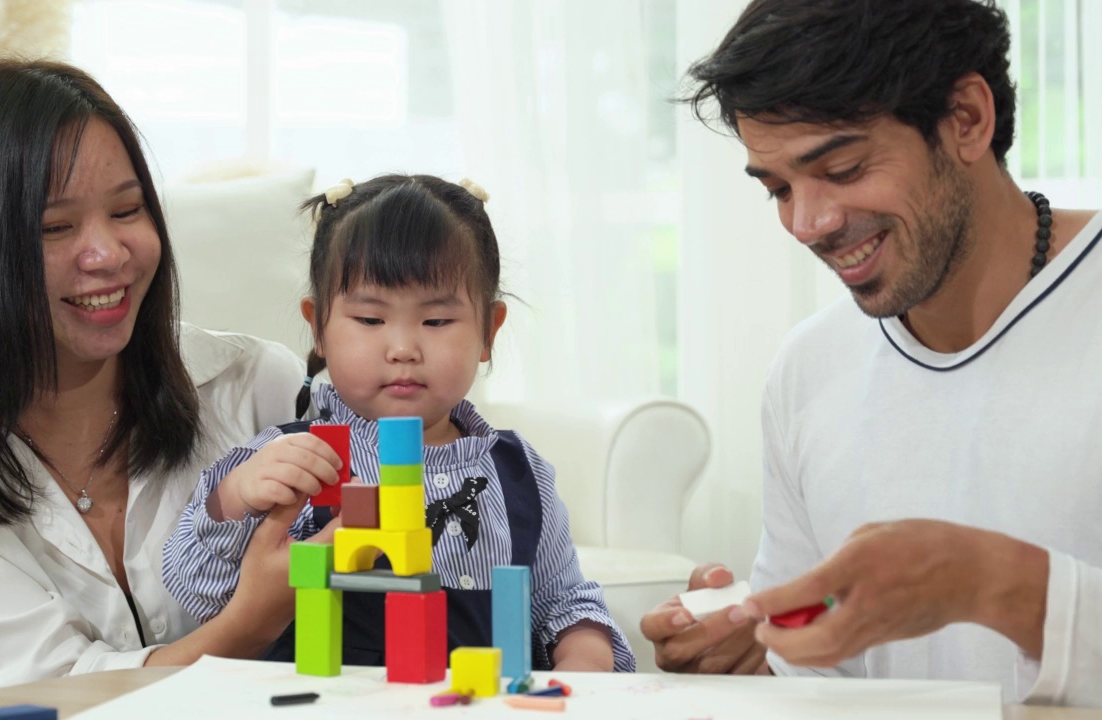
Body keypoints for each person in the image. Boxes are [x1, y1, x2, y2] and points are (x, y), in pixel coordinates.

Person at [639, 0, 1102, 705]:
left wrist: (990, 582)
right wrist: (757, 649)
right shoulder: (809, 369)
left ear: (967, 120)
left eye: (844, 168)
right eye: (779, 189)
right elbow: (827, 679)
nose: (807, 222)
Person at [0, 58, 310, 696]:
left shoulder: (256, 387)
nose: (108, 255)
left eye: (127, 210)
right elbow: (60, 696)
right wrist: (251, 622)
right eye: (55, 227)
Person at [162, 174, 636, 672]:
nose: (404, 348)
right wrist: (233, 500)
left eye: (436, 322)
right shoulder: (293, 461)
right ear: (318, 326)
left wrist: (586, 660)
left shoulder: (519, 472)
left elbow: (563, 602)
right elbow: (199, 597)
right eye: (370, 320)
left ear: (487, 333)